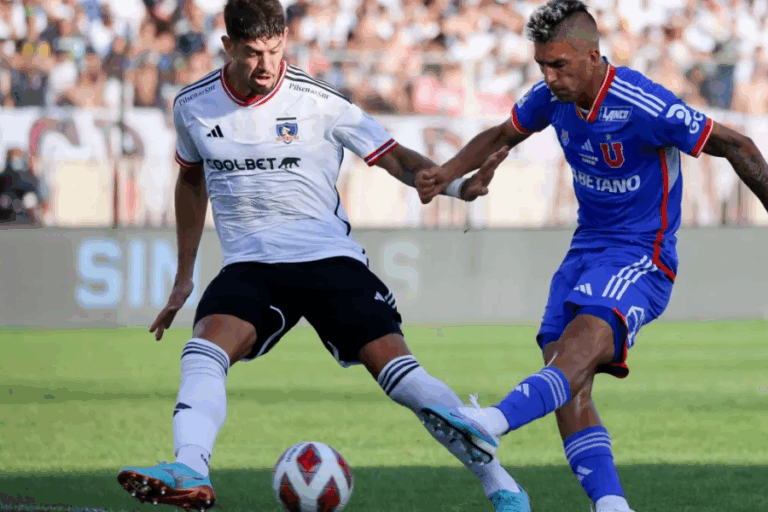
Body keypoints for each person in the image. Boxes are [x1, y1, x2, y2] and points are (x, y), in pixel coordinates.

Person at [116, 1, 530, 511]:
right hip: (250, 265)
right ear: (228, 47)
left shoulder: (318, 100)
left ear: (285, 40)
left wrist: (455, 184)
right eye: (251, 54)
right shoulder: (193, 106)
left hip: (328, 259)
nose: (265, 65)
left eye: (274, 50)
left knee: (402, 378)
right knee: (204, 350)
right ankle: (190, 469)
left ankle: (501, 485)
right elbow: (191, 181)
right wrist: (184, 277)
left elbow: (394, 156)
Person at [415, 1, 768, 512]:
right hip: (585, 249)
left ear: (593, 55)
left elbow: (740, 146)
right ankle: (611, 505)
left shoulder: (644, 104)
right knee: (566, 381)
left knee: (577, 351)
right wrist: (446, 173)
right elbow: (502, 134)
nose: (549, 77)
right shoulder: (551, 98)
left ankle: (491, 423)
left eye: (560, 65)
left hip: (641, 256)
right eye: (542, 65)